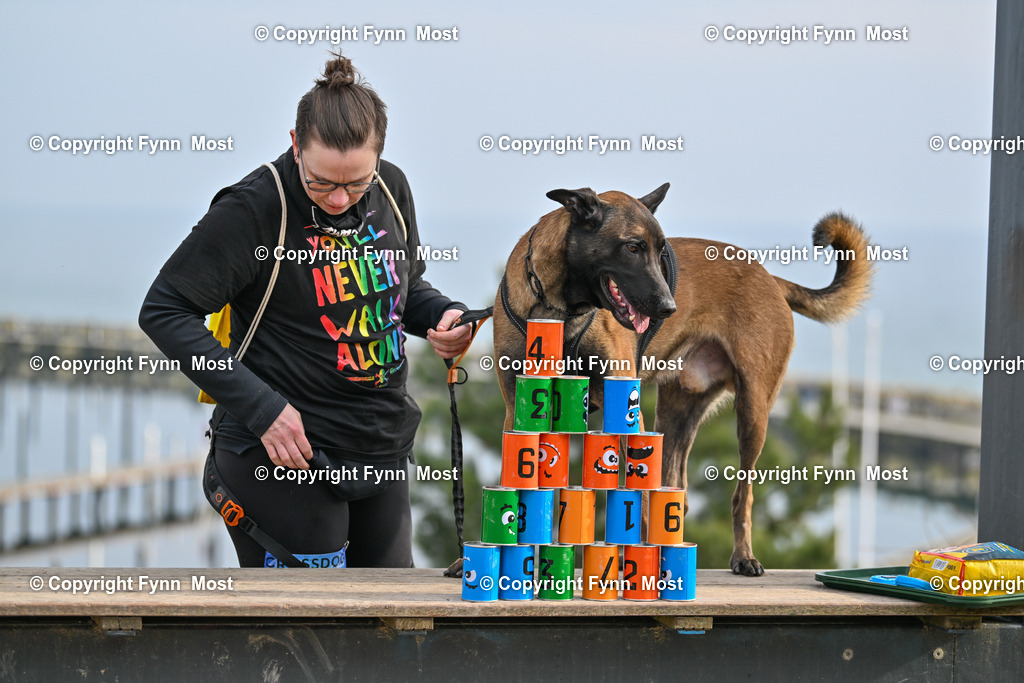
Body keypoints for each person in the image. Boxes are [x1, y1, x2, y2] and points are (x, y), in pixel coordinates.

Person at [139, 52, 471, 568]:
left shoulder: (392, 187)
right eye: (322, 182)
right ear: (295, 145)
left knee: (387, 633)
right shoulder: (254, 209)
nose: (340, 199)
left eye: (355, 183)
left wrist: (442, 318)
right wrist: (263, 410)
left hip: (380, 449)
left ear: (378, 157)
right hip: (283, 455)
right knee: (309, 639)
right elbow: (165, 310)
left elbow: (406, 289)